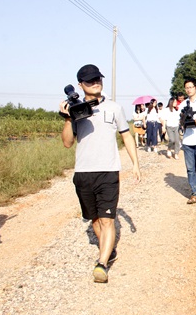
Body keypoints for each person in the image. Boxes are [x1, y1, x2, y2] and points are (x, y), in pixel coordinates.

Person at [59, 64, 141, 283]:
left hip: (108, 171)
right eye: (90, 81)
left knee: (107, 220)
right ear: (80, 85)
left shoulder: (114, 108)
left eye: (98, 79)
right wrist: (67, 118)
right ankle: (109, 248)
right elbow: (67, 143)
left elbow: (127, 136)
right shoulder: (75, 110)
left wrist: (135, 163)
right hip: (83, 173)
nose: (95, 83)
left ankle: (102, 263)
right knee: (94, 219)